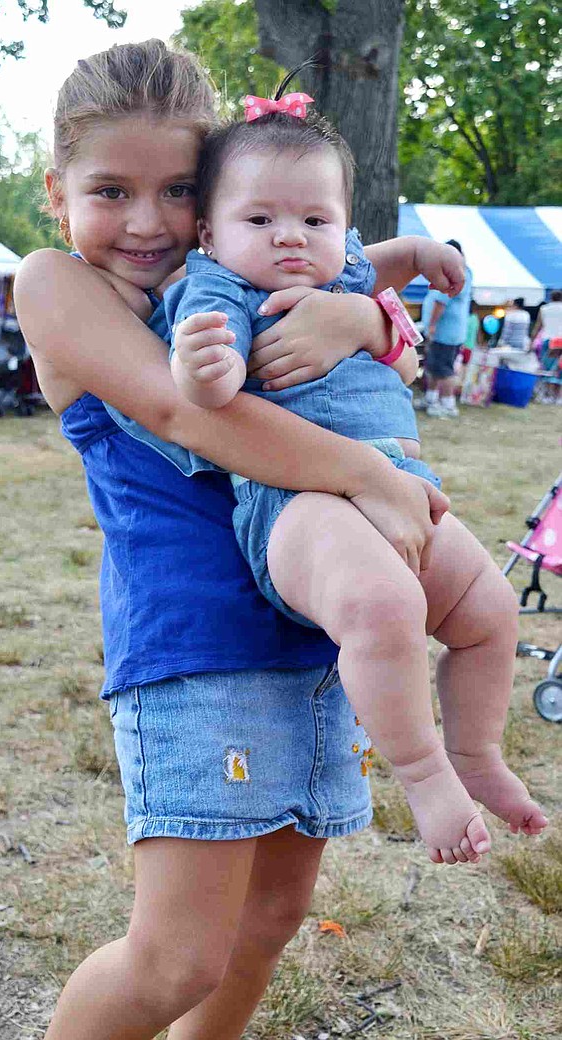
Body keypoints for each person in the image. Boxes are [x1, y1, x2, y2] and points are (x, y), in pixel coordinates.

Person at [14, 39, 460, 1040]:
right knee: (176, 955)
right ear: (57, 191)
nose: (145, 221)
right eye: (110, 190)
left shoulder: (218, 273)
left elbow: (309, 257)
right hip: (195, 647)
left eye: (177, 189)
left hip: (312, 631)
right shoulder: (54, 284)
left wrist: (360, 308)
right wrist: (367, 473)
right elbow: (189, 417)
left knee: (270, 917)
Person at [110, 85, 547, 870]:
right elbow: (208, 397)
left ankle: (477, 750)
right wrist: (206, 369)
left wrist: (415, 257)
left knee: (489, 611)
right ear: (209, 233)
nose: (289, 239)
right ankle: (422, 771)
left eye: (315, 220)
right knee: (384, 607)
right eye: (261, 220)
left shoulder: (340, 272)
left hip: (405, 487)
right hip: (298, 504)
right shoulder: (217, 290)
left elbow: (368, 265)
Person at [419, 239, 473, 418]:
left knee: (444, 369)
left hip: (446, 332)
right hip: (447, 332)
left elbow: (441, 301)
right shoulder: (463, 272)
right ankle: (431, 398)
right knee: (434, 366)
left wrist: (432, 325)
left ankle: (448, 404)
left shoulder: (456, 273)